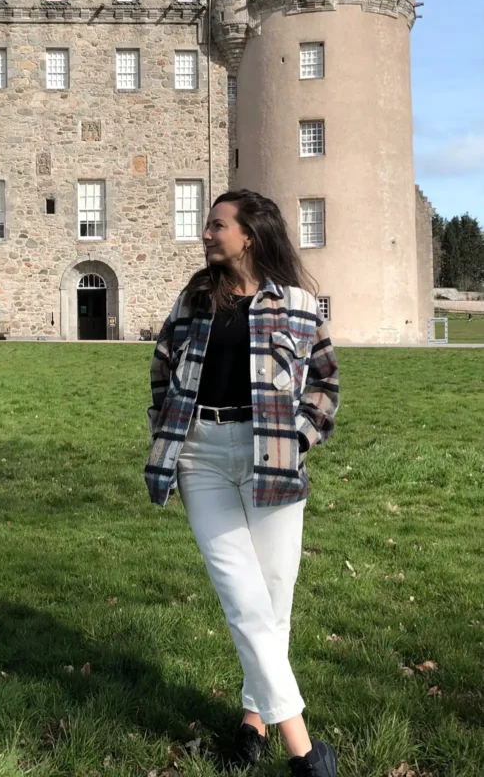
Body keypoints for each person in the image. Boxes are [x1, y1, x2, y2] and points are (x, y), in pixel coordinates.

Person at [145, 190, 340, 777]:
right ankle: (304, 752)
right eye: (208, 226)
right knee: (242, 598)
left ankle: (251, 724)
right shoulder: (194, 299)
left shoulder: (301, 305)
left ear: (248, 235)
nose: (206, 234)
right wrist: (170, 433)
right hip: (203, 458)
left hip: (271, 459)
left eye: (217, 225)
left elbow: (326, 384)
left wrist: (299, 437)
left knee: (272, 603)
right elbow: (161, 368)